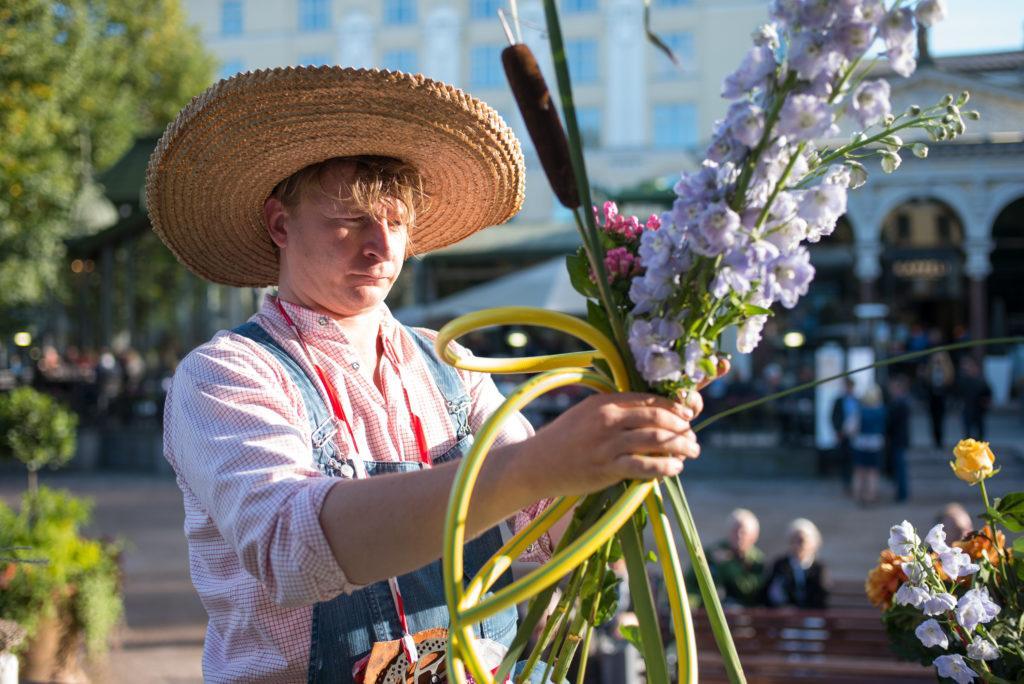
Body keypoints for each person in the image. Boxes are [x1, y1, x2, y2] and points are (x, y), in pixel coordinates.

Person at [147, 66, 718, 683]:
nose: (381, 247)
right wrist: (537, 464)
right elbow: (292, 547)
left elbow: (550, 533)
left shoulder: (449, 365)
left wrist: (626, 442)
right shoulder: (227, 373)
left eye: (395, 222)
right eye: (350, 219)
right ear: (280, 224)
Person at [687, 508, 765, 608]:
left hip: (743, 613)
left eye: (743, 532)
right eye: (734, 530)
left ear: (754, 536)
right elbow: (691, 581)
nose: (738, 535)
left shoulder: (757, 560)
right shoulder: (712, 552)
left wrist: (727, 564)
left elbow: (748, 591)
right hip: (709, 609)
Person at [764, 519, 829, 609]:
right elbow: (771, 593)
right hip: (784, 615)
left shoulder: (818, 568)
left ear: (813, 543)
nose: (799, 545)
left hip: (811, 615)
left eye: (802, 541)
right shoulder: (780, 565)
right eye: (795, 540)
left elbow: (821, 596)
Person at [851, 384, 886, 506]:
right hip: (875, 442)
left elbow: (853, 427)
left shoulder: (861, 410)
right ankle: (871, 496)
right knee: (872, 472)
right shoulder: (881, 410)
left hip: (861, 442)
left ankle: (857, 495)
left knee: (859, 471)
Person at [885, 375, 912, 502]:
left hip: (898, 440)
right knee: (899, 468)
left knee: (900, 468)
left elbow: (893, 422)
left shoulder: (900, 403)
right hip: (898, 440)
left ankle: (902, 494)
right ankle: (901, 493)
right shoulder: (899, 402)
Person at [922, 347, 954, 449]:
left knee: (941, 420)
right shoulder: (931, 369)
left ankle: (940, 441)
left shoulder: (947, 369)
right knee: (933, 420)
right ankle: (935, 440)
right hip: (932, 398)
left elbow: (950, 384)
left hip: (942, 399)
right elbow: (926, 383)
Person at [830, 378, 860, 487]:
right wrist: (838, 431)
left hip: (855, 435)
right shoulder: (839, 401)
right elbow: (834, 417)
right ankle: (846, 483)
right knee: (845, 459)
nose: (849, 389)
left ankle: (853, 483)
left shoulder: (857, 400)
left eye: (851, 387)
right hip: (843, 434)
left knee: (854, 459)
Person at [957, 356, 992, 440]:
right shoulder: (963, 380)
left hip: (978, 408)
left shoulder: (980, 381)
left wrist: (985, 403)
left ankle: (979, 445)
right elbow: (958, 393)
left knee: (979, 429)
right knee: (967, 430)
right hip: (967, 408)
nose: (967, 369)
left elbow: (987, 392)